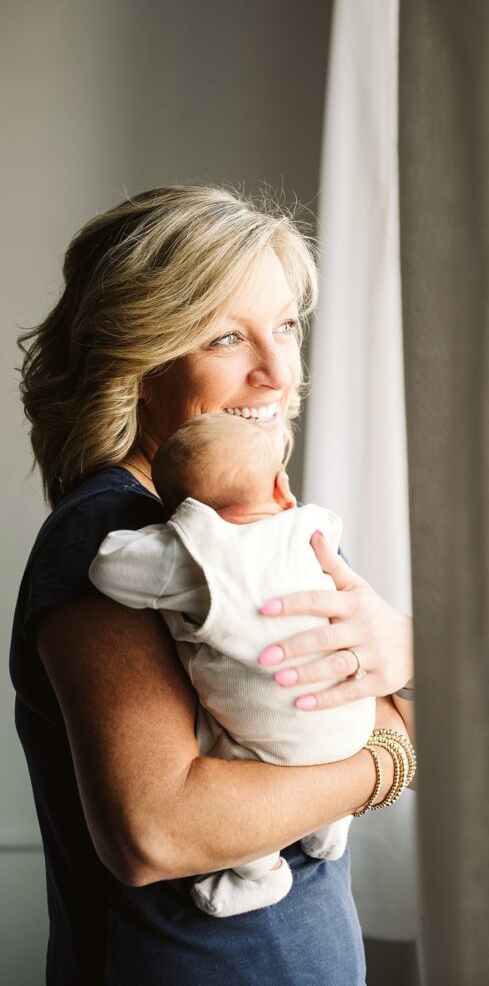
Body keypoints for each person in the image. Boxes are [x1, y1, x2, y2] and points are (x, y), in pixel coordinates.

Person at [11, 185, 415, 986]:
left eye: (287, 327)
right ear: (139, 361)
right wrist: (391, 761)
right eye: (228, 337)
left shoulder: (248, 523)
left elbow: (373, 693)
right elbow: (155, 830)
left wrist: (406, 650)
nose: (276, 373)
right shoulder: (116, 538)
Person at [89, 412, 379, 918]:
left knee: (218, 746)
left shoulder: (197, 561)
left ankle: (259, 872)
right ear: (281, 486)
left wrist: (174, 532)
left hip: (274, 745)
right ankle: (330, 826)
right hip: (355, 723)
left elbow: (107, 568)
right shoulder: (313, 527)